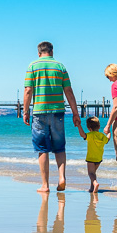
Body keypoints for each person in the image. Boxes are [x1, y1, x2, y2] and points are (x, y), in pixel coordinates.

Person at [23, 41, 81, 192]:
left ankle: (45, 185)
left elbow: (28, 90)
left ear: (39, 53)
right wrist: (75, 113)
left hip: (39, 111)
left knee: (43, 149)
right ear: (52, 51)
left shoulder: (33, 66)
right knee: (59, 147)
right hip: (58, 111)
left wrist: (25, 111)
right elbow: (68, 91)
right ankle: (62, 177)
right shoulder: (60, 67)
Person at [77, 116, 110, 193]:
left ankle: (95, 183)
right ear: (99, 126)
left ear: (89, 128)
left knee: (91, 173)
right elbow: (107, 140)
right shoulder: (102, 136)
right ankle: (92, 188)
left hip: (91, 158)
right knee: (93, 173)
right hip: (99, 158)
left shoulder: (90, 135)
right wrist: (109, 133)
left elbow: (82, 135)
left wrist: (79, 126)